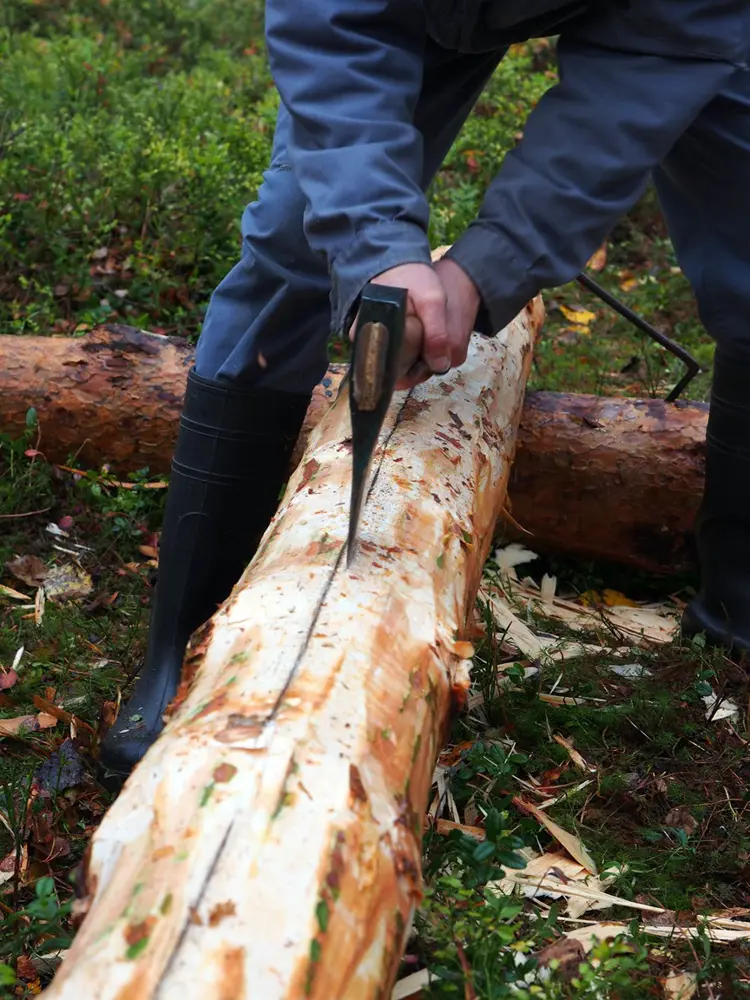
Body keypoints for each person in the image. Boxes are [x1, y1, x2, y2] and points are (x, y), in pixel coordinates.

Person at [100, 0, 750, 779]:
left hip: (671, 27)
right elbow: (329, 21)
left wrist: (486, 266)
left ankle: (737, 622)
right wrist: (374, 244)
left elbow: (648, 69)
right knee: (293, 238)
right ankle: (184, 649)